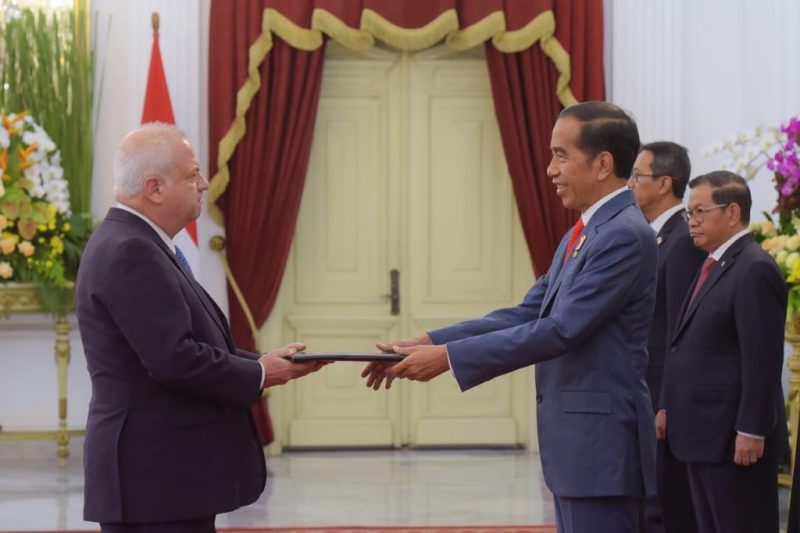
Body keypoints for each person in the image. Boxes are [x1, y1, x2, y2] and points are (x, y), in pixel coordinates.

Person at [364, 101, 657, 533]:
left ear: (603, 164)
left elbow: (561, 330)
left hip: (601, 449)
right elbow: (527, 312)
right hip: (581, 450)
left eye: (561, 155)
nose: (549, 170)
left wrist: (448, 358)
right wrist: (428, 342)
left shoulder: (623, 236)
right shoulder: (586, 231)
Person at [75, 123, 326, 533]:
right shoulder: (131, 250)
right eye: (192, 175)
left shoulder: (138, 242)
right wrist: (261, 373)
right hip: (155, 480)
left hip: (162, 479)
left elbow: (186, 343)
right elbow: (174, 359)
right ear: (154, 188)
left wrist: (261, 362)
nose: (205, 184)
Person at [658, 171, 787, 533]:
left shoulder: (755, 267)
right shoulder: (714, 263)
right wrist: (668, 402)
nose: (692, 222)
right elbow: (684, 342)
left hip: (731, 438)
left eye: (700, 212)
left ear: (732, 212)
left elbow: (762, 359)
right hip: (701, 433)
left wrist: (752, 430)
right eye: (688, 213)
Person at [629, 142, 703, 533]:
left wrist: (666, 402)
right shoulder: (654, 236)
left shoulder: (681, 240)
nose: (630, 183)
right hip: (645, 389)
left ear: (664, 183)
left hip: (662, 394)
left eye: (637, 176)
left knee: (664, 508)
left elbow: (679, 331)